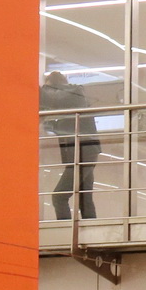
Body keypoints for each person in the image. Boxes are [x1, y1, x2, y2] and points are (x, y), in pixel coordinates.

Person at [39, 71, 101, 220]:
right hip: (86, 151)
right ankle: (91, 233)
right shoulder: (72, 99)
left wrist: (41, 90)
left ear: (54, 85)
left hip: (83, 152)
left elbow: (52, 98)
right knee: (85, 198)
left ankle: (66, 231)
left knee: (59, 196)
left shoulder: (74, 93)